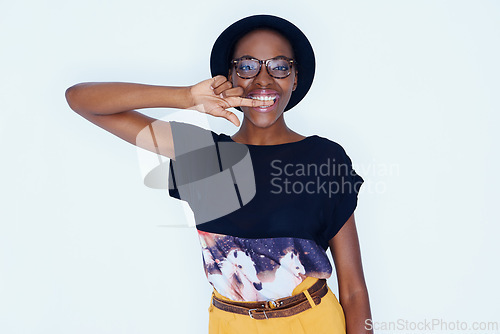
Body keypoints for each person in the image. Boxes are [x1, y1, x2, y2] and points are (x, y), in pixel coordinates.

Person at [65, 14, 372, 334]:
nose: (263, 80)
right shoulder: (202, 154)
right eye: (248, 66)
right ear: (229, 77)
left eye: (279, 66)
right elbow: (81, 99)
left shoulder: (323, 158)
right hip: (229, 324)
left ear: (295, 78)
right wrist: (185, 97)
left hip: (314, 323)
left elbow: (353, 290)